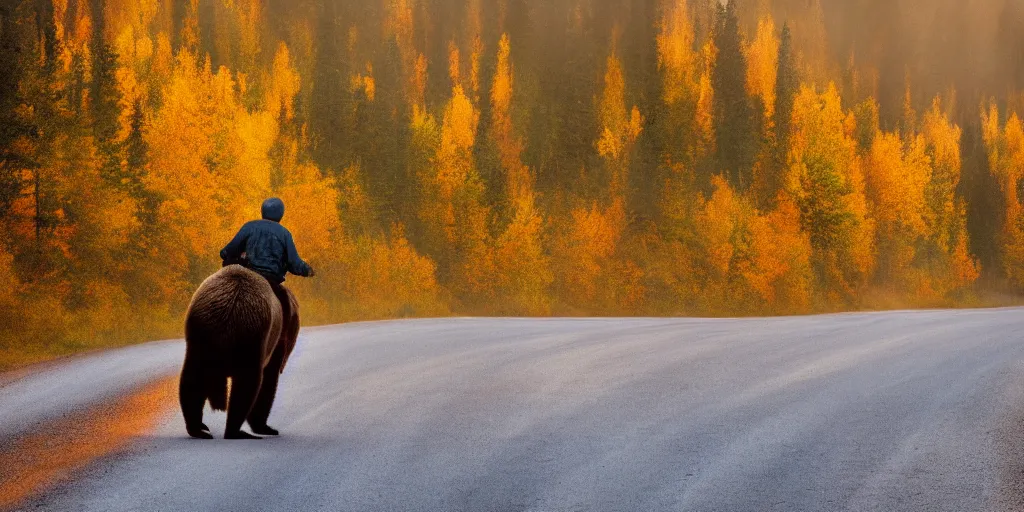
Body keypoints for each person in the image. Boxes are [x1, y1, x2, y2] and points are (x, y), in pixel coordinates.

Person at [220, 197, 315, 319]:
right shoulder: (285, 234)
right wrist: (308, 270)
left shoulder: (249, 227)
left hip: (247, 277)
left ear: (262, 211)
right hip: (272, 281)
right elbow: (294, 264)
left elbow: (225, 252)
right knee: (287, 313)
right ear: (281, 214)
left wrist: (238, 256)